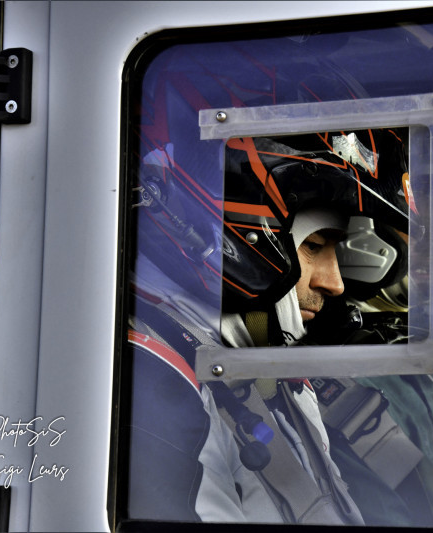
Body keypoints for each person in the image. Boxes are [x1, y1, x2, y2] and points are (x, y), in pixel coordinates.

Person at [124, 128, 409, 525]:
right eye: (314, 247)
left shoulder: (262, 354)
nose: (335, 283)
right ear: (244, 235)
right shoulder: (155, 380)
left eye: (335, 250)